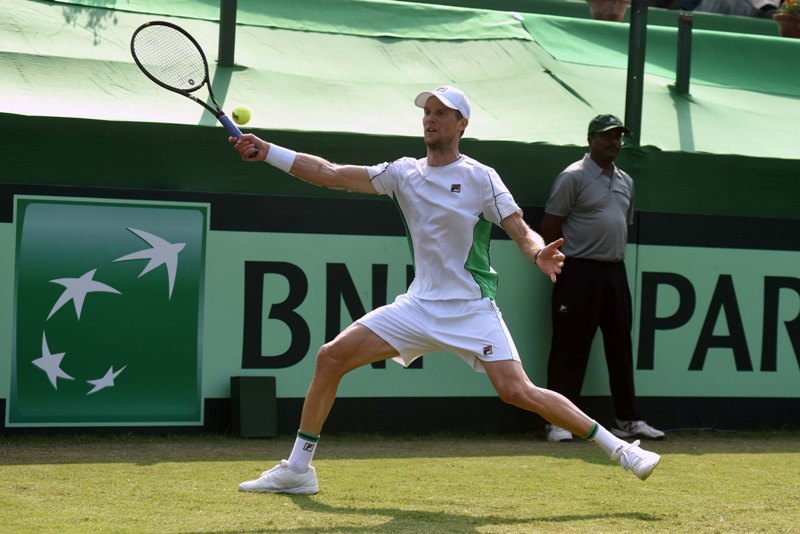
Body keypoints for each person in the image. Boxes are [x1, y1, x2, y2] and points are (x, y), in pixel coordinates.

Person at [229, 88, 661, 494]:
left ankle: (620, 448)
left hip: (471, 308)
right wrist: (268, 152)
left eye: (441, 113)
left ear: (461, 124)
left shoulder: (481, 177)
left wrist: (537, 254)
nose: (430, 120)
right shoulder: (402, 173)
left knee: (517, 392)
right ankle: (299, 470)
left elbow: (519, 228)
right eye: (427, 113)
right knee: (331, 356)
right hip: (417, 306)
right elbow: (331, 174)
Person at [540, 114, 665, 444]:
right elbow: (551, 224)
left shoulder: (625, 181)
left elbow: (621, 223)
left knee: (620, 347)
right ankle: (558, 422)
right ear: (591, 139)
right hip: (578, 270)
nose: (614, 142)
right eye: (607, 136)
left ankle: (628, 419)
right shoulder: (573, 176)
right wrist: (562, 263)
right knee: (570, 348)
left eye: (618, 137)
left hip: (614, 272)